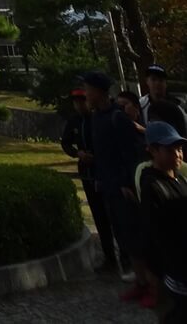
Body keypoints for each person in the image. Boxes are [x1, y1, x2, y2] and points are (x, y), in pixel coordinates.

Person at [83, 70, 156, 303]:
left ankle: (153, 285)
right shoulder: (96, 118)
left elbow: (131, 152)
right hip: (108, 185)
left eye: (87, 89)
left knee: (136, 235)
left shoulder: (118, 117)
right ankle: (141, 282)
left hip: (124, 187)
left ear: (98, 91)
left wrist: (127, 182)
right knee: (123, 235)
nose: (85, 94)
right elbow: (103, 153)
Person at [61, 87, 117, 271]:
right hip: (87, 173)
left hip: (106, 171)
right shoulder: (74, 121)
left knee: (114, 214)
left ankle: (125, 255)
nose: (79, 105)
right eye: (76, 102)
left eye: (82, 101)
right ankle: (109, 256)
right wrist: (78, 153)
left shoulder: (99, 118)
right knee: (99, 215)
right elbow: (66, 143)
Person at [139, 120, 187, 322]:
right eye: (170, 149)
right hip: (178, 268)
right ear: (152, 150)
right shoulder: (153, 186)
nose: (177, 154)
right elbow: (157, 234)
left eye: (179, 148)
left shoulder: (179, 180)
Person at [140, 66, 187, 138]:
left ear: (166, 83)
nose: (157, 83)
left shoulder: (177, 106)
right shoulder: (141, 104)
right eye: (153, 79)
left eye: (161, 80)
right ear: (147, 81)